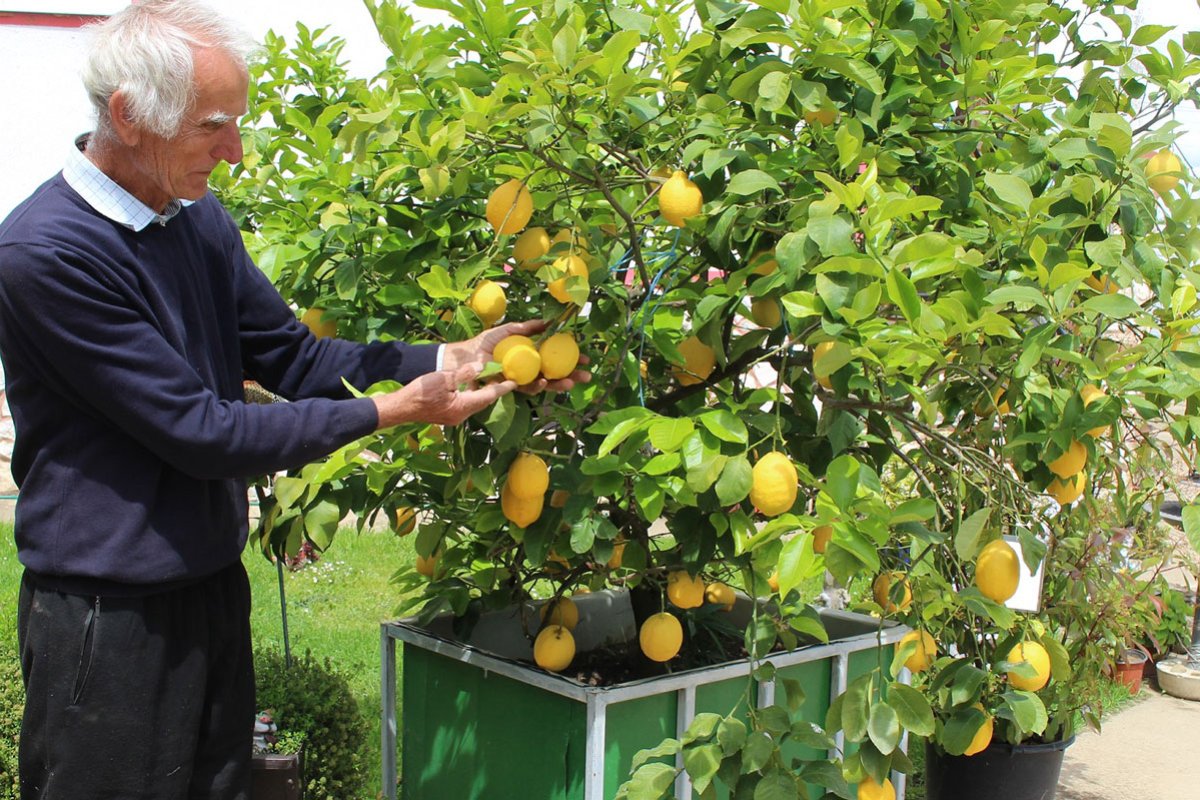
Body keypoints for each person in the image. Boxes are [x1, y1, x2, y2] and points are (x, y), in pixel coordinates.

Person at [0, 2, 586, 798]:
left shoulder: (195, 219)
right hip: (111, 620)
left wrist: (452, 357)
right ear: (130, 116)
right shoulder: (46, 255)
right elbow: (198, 431)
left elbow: (294, 357)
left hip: (208, 585)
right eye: (214, 126)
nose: (236, 152)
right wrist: (393, 411)